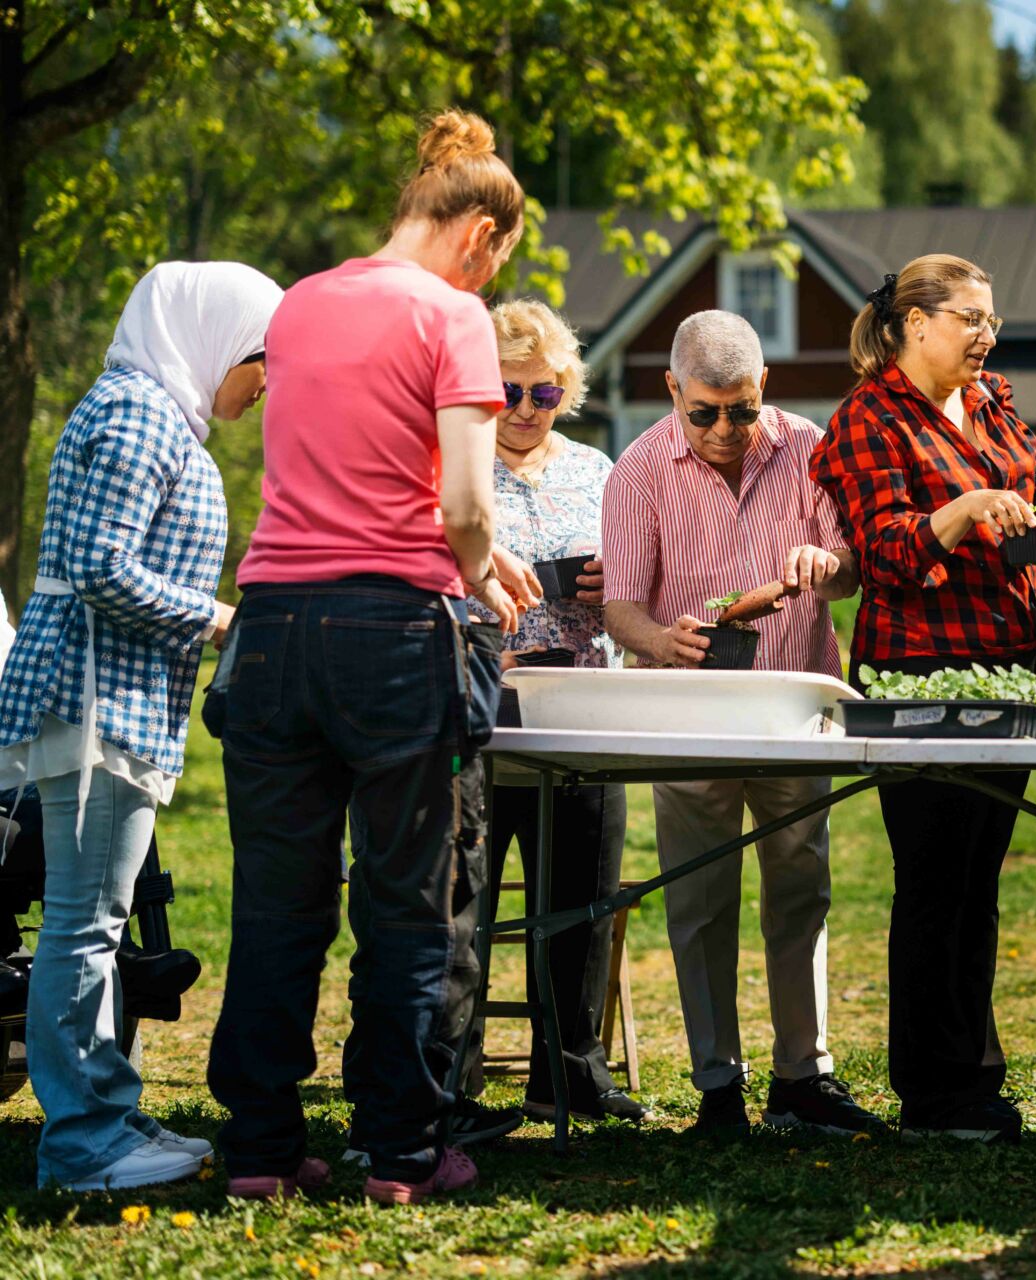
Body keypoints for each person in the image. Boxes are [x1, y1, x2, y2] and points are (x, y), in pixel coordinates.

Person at [205, 110, 537, 1206]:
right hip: (396, 631)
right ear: (481, 234)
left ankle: (257, 1148)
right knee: (407, 901)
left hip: (270, 625)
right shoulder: (457, 313)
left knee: (277, 900)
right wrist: (485, 572)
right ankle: (399, 1150)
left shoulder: (299, 305)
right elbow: (464, 502)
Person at [810, 254, 1036, 1141]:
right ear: (915, 323)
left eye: (992, 320)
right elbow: (880, 557)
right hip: (920, 676)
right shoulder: (869, 419)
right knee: (934, 882)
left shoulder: (992, 401)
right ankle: (936, 1093)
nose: (987, 335)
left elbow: (1021, 521)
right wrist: (964, 510)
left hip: (1011, 666)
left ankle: (971, 1082)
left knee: (977, 879)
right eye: (970, 319)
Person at [0, 260, 282, 1190]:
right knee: (83, 927)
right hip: (91, 705)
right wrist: (216, 616)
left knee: (100, 924)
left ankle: (106, 1114)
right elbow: (99, 567)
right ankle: (81, 1145)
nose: (267, 380)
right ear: (215, 338)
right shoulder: (133, 416)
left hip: (115, 706)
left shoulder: (159, 414)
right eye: (262, 358)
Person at [602, 310, 882, 1135]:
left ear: (764, 388)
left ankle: (804, 1075)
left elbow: (851, 572)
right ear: (672, 390)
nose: (726, 429)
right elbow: (620, 606)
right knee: (699, 901)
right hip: (688, 715)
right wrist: (662, 638)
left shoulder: (810, 448)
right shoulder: (638, 472)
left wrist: (826, 565)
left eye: (743, 408)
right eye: (705, 412)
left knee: (802, 890)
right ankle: (717, 1085)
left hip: (794, 708)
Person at [448, 298, 648, 1126]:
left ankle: (569, 1067)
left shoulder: (596, 471)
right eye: (507, 394)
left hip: (581, 699)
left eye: (545, 393)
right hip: (481, 702)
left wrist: (613, 588)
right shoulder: (451, 471)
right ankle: (451, 1075)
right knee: (468, 899)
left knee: (583, 892)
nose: (527, 410)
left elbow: (637, 588)